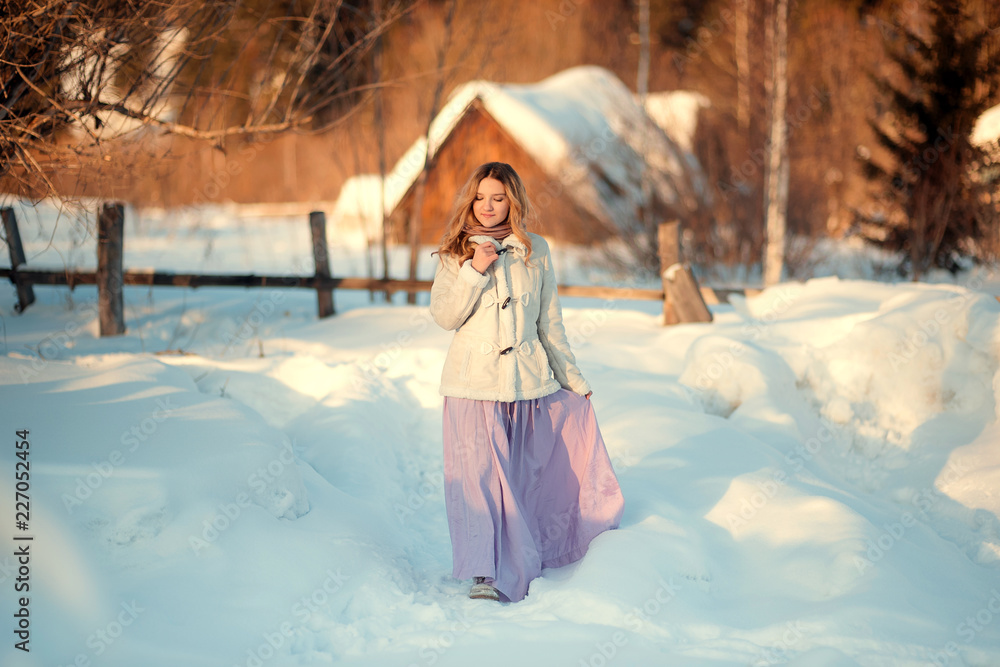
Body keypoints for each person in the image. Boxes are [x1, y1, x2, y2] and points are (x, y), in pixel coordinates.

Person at [429, 162, 625, 603]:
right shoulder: (453, 252)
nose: (487, 206)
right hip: (470, 386)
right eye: (480, 197)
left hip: (526, 383)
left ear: (513, 201)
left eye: (498, 198)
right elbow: (445, 317)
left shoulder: (536, 250)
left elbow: (549, 322)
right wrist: (474, 270)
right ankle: (486, 574)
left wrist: (571, 378)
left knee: (520, 479)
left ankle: (527, 557)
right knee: (478, 480)